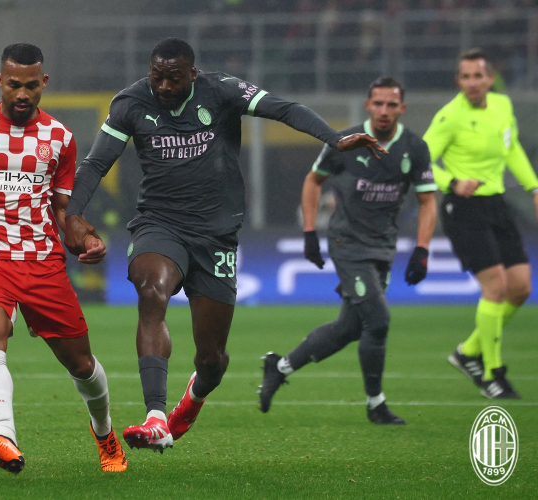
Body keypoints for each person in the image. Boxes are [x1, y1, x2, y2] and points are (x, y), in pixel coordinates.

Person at [64, 37, 383, 452]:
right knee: (151, 291)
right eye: (157, 76)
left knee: (211, 360)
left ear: (193, 74)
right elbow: (95, 163)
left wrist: (333, 138)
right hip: (159, 223)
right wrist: (73, 215)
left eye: (174, 78)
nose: (164, 86)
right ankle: (155, 416)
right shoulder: (130, 103)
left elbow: (284, 109)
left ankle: (191, 402)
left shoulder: (222, 91)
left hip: (215, 234)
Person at [0, 43, 127, 475]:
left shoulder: (60, 139)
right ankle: (5, 439)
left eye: (32, 86)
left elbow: (63, 209)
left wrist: (85, 238)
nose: (22, 94)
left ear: (44, 83)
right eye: (14, 84)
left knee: (82, 365)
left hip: (43, 264)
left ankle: (105, 433)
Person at [258, 77, 437, 424]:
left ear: (402, 108)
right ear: (368, 105)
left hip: (383, 246)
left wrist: (422, 249)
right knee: (378, 320)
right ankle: (376, 404)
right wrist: (309, 232)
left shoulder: (414, 148)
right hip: (347, 243)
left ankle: (279, 368)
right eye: (378, 103)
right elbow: (314, 179)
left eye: (391, 105)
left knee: (349, 328)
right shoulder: (347, 141)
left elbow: (428, 200)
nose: (384, 111)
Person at [424, 48, 538, 400]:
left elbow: (511, 148)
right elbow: (420, 160)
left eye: (478, 76)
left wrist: (534, 187)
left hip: (496, 204)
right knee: (496, 287)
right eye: (466, 77)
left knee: (521, 287)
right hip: (463, 209)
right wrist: (452, 182)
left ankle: (467, 352)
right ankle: (492, 373)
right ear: (458, 81)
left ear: (490, 79)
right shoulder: (450, 116)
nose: (472, 83)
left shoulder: (502, 106)